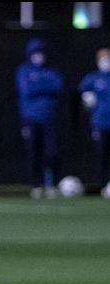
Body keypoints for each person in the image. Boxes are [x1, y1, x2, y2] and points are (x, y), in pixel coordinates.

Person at [16, 38, 64, 199]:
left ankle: (51, 184)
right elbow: (27, 90)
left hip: (49, 119)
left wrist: (39, 85)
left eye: (41, 52)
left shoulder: (52, 71)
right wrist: (45, 87)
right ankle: (36, 185)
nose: (39, 56)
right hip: (30, 118)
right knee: (33, 152)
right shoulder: (23, 71)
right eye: (35, 52)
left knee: (51, 152)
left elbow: (58, 87)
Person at [78, 47, 110, 199]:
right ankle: (103, 185)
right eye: (103, 58)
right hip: (100, 123)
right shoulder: (92, 78)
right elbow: (82, 98)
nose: (105, 61)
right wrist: (86, 101)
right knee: (102, 155)